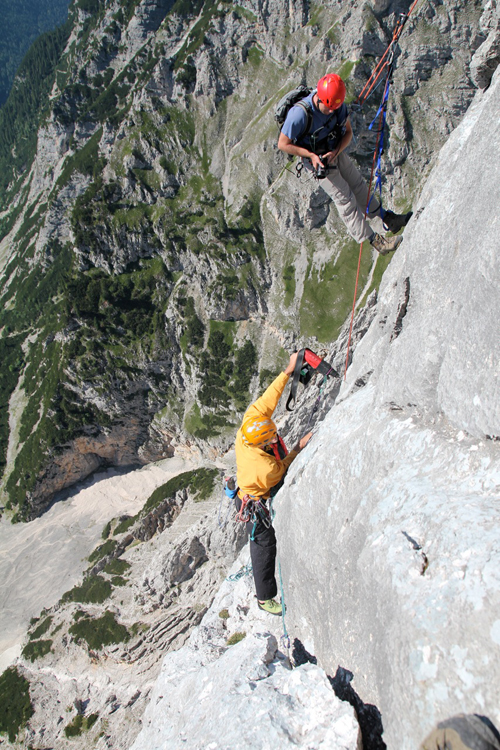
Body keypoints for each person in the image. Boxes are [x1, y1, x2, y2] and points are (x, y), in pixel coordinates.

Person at [278, 73, 412, 255]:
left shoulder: (337, 106)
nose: (332, 112)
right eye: (329, 108)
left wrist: (336, 152)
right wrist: (311, 155)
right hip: (318, 164)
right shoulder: (299, 114)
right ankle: (378, 243)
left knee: (358, 185)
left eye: (335, 108)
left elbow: (347, 133)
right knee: (346, 200)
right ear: (320, 100)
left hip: (334, 151)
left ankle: (388, 218)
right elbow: (283, 143)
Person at [234, 352, 312, 615]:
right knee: (264, 544)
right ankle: (264, 597)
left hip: (248, 483)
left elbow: (268, 399)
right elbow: (282, 468)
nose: (275, 437)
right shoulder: (265, 467)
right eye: (271, 438)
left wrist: (288, 371)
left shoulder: (249, 423)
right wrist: (299, 448)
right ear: (262, 443)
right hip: (255, 498)